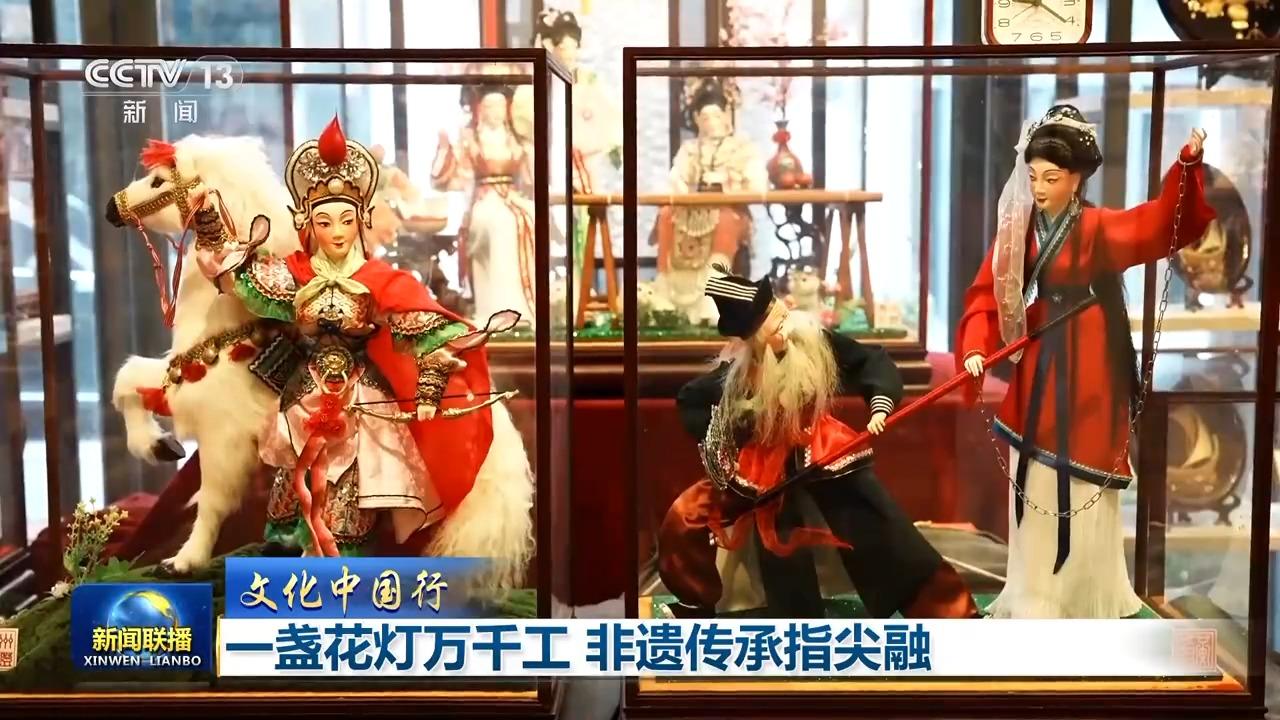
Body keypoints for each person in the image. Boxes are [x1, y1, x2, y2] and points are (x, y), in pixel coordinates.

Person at [197, 116, 515, 557]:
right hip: (303, 395)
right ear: (308, 222)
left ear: (360, 221)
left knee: (350, 498)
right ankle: (299, 571)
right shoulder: (296, 274)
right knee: (293, 494)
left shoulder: (380, 280)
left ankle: (344, 574)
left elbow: (422, 326)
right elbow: (245, 282)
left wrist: (431, 378)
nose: (337, 232)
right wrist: (210, 225)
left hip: (361, 400)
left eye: (346, 220)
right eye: (325, 221)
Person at [957, 104, 1214, 618]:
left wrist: (1186, 167)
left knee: (1081, 471)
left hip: (1091, 355)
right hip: (1041, 353)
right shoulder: (1021, 229)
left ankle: (1084, 593)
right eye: (1033, 176)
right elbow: (988, 290)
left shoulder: (1099, 227)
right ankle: (1034, 592)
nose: (1039, 188)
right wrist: (976, 346)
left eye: (1051, 178)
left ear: (1076, 179)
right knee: (1034, 468)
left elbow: (1158, 223)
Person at [658, 267, 979, 619]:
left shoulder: (813, 340)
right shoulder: (741, 373)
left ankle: (948, 609)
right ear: (754, 337)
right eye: (771, 322)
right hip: (762, 467)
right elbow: (692, 400)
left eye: (779, 311)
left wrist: (879, 404)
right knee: (691, 516)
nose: (783, 322)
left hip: (822, 452)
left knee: (881, 522)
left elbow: (869, 360)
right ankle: (710, 605)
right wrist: (733, 436)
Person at [433, 72, 537, 330]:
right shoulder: (471, 140)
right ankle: (494, 306)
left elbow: (531, 178)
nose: (496, 113)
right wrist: (445, 149)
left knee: (527, 217)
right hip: (483, 198)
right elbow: (452, 178)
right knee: (497, 222)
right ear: (481, 109)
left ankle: (522, 306)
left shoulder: (517, 140)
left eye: (500, 107)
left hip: (512, 197)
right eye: (490, 107)